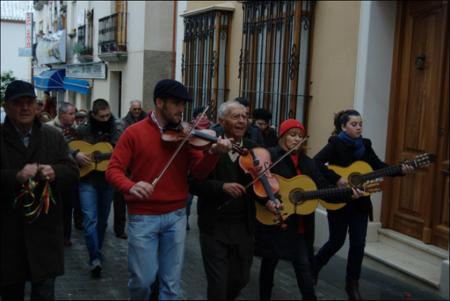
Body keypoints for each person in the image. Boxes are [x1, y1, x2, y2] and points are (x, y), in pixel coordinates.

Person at [105, 79, 232, 300]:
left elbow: (200, 172)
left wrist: (213, 154)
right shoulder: (133, 133)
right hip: (143, 217)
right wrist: (131, 186)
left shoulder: (186, 135)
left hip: (176, 215)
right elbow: (113, 170)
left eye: (183, 104)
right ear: (159, 102)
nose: (181, 110)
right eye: (176, 103)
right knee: (142, 282)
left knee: (171, 286)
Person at [254, 119, 362, 300]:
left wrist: (347, 194)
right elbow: (258, 185)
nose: (297, 139)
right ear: (282, 137)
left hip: (299, 227)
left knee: (304, 268)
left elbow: (322, 188)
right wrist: (267, 201)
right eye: (292, 135)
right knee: (269, 266)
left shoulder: (308, 163)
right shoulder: (271, 156)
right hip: (275, 221)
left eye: (300, 136)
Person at [312, 109, 413, 300]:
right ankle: (314, 267)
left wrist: (401, 170)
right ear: (343, 126)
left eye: (360, 124)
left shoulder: (365, 145)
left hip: (361, 205)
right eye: (354, 124)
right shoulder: (335, 144)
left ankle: (352, 285)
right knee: (336, 241)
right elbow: (315, 162)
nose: (358, 128)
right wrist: (337, 178)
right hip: (340, 202)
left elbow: (378, 166)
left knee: (358, 245)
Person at [0, 80, 78, 300]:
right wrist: (14, 176)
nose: (24, 108)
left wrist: (55, 172)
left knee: (44, 294)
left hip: (45, 235)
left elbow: (72, 172)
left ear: (37, 107)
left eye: (29, 102)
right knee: (10, 293)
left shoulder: (52, 136)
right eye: (18, 103)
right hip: (8, 237)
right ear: (6, 107)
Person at [189, 100, 259, 300]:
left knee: (240, 279)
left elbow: (263, 184)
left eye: (245, 116)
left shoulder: (254, 149)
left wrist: (272, 200)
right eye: (236, 116)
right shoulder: (208, 146)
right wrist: (222, 187)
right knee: (218, 284)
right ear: (222, 121)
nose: (242, 121)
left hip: (243, 226)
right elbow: (193, 183)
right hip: (214, 226)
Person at [75, 98, 122, 278]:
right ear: (93, 115)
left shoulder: (116, 128)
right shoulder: (82, 130)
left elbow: (122, 150)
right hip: (87, 180)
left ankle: (97, 252)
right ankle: (95, 258)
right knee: (89, 221)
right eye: (101, 116)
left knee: (102, 221)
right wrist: (75, 154)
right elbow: (66, 147)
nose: (105, 119)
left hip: (108, 180)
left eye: (107, 115)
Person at [47, 102, 83, 247]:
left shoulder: (76, 130)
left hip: (69, 174)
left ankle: (65, 236)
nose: (74, 117)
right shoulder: (49, 128)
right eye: (71, 114)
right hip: (53, 172)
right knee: (53, 206)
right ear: (62, 115)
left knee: (68, 206)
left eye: (74, 114)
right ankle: (52, 234)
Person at [112, 100, 147, 240]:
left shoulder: (147, 122)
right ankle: (119, 229)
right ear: (130, 109)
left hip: (139, 167)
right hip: (125, 166)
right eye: (135, 109)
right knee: (119, 202)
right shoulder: (121, 123)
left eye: (139, 109)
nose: (137, 111)